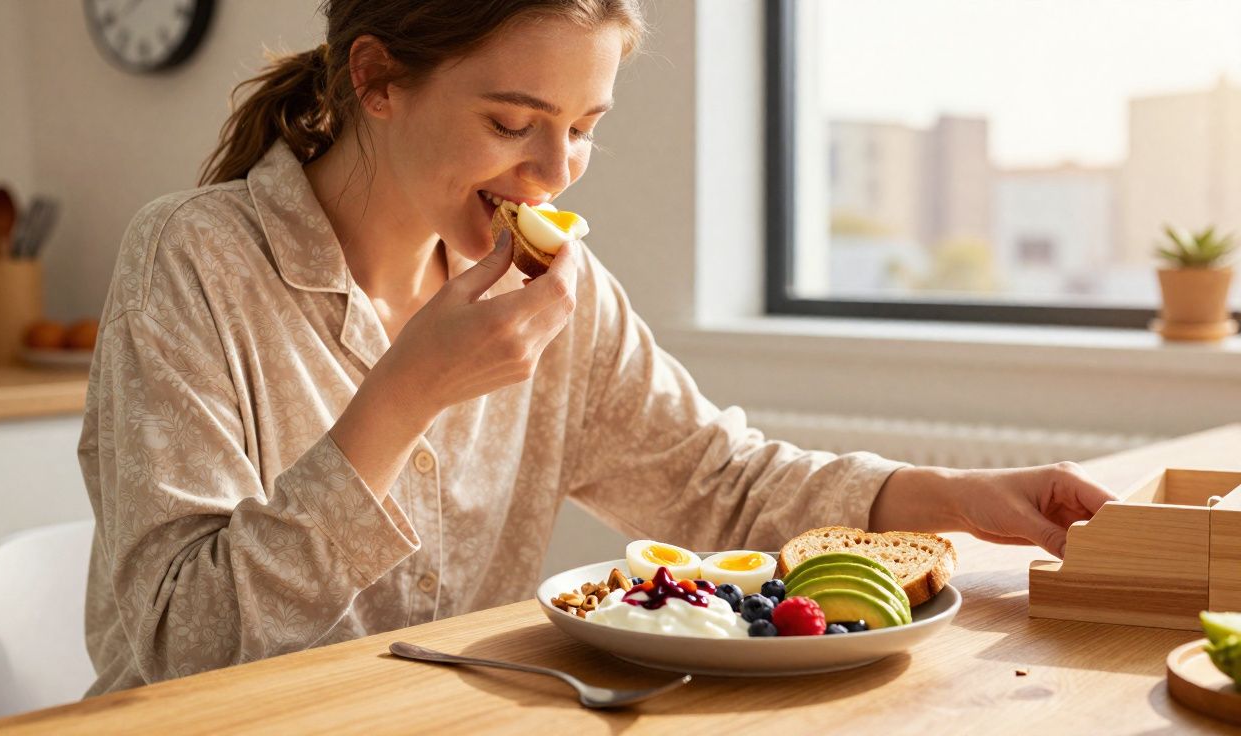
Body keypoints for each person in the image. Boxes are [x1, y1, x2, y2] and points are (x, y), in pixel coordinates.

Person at [77, 0, 1117, 696]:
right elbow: (178, 644)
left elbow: (719, 486)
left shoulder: (553, 291)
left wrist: (953, 496)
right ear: (378, 79)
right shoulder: (195, 260)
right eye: (511, 121)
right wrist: (404, 395)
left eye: (581, 126)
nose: (554, 171)